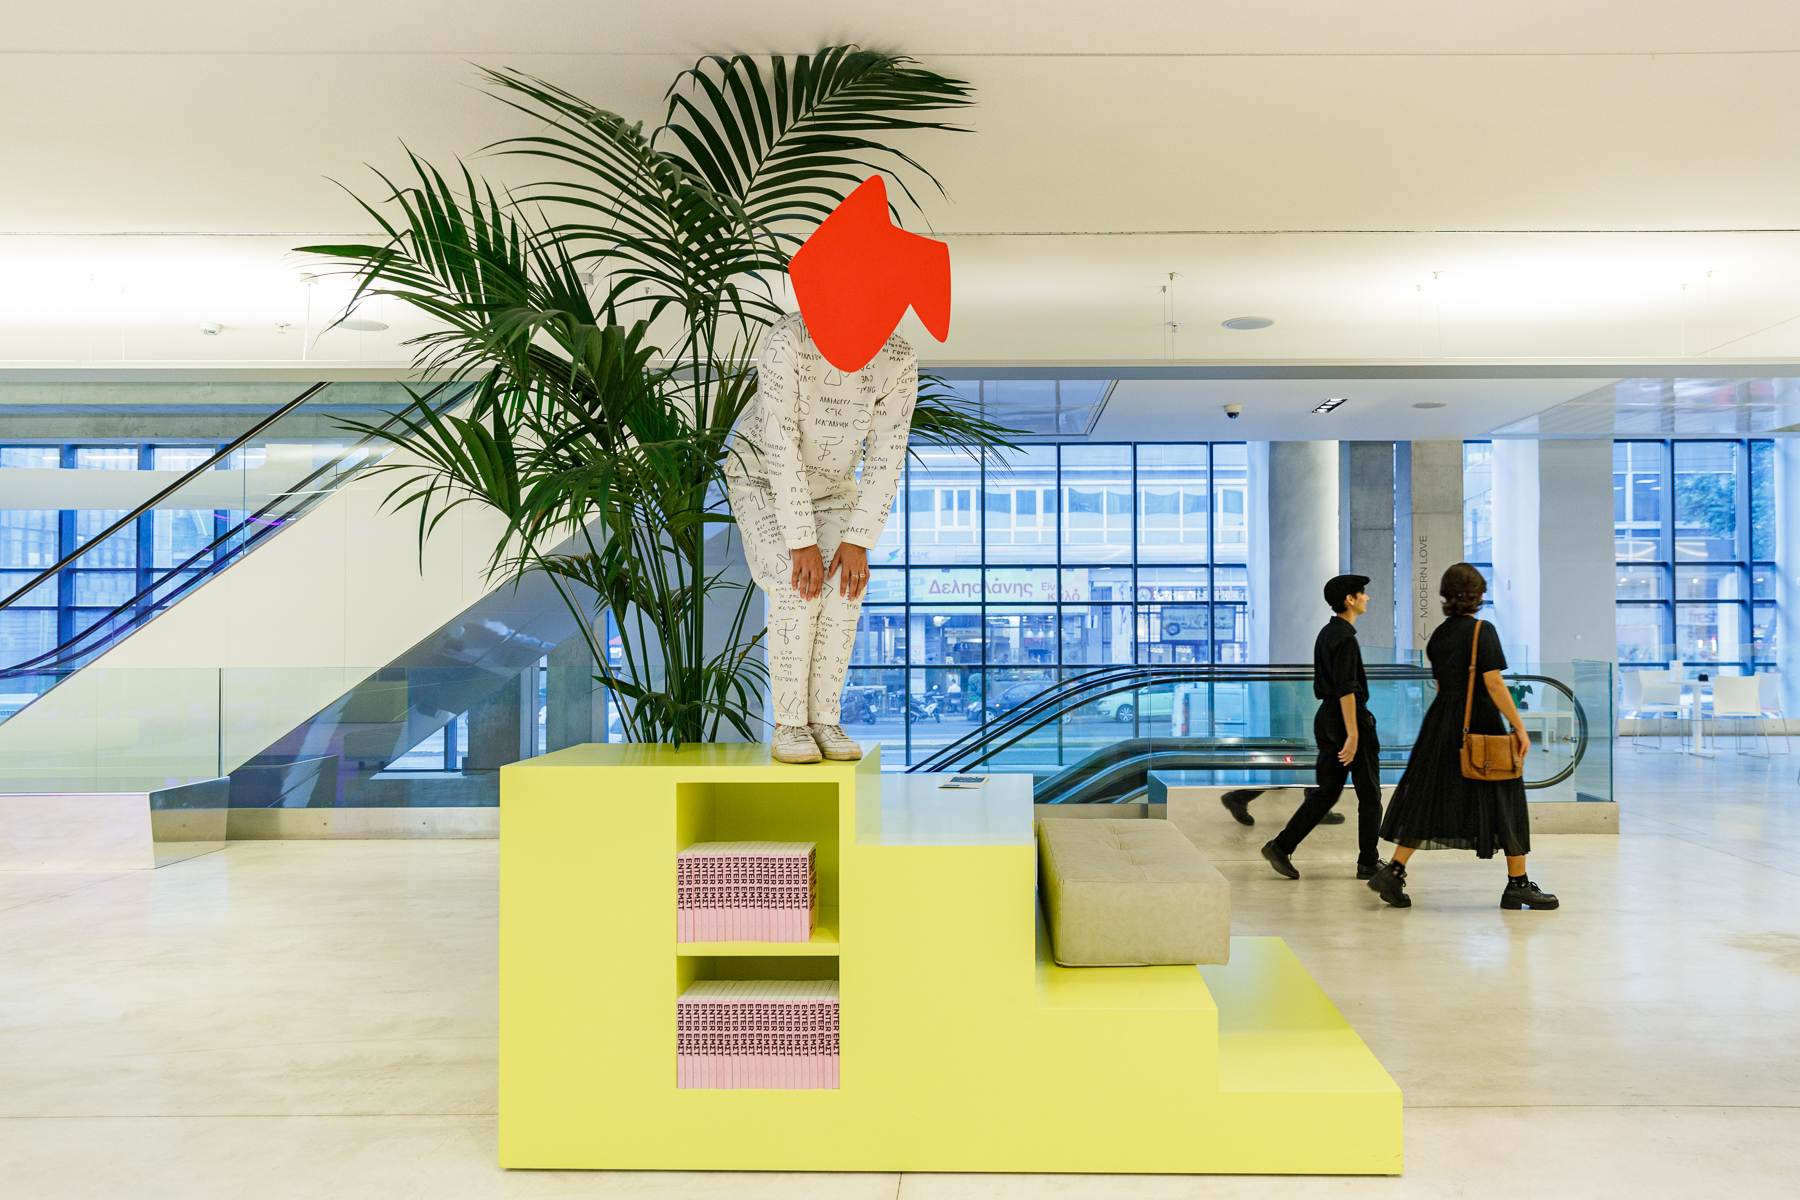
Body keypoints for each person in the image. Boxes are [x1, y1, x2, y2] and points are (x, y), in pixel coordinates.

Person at [726, 312, 916, 764]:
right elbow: (780, 441)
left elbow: (887, 453)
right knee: (796, 585)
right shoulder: (788, 339)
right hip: (760, 479)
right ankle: (790, 725)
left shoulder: (898, 356)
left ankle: (824, 720)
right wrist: (801, 540)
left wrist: (859, 539)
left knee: (845, 588)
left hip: (834, 489)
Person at [1366, 563, 1558, 911]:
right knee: (1505, 797)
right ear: (1477, 595)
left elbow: (1441, 685)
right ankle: (1518, 885)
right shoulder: (1483, 631)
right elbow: (1493, 683)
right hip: (1480, 724)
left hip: (1441, 724)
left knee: (1429, 796)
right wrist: (1518, 727)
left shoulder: (1439, 636)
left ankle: (1393, 871)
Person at [1260, 575, 1390, 882]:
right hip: (1348, 717)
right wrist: (1354, 734)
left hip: (1326, 717)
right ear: (1349, 599)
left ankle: (1281, 846)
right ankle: (1368, 862)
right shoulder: (1346, 639)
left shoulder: (1327, 633)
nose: (1367, 598)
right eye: (1362, 593)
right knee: (1370, 794)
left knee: (1327, 792)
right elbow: (1347, 688)